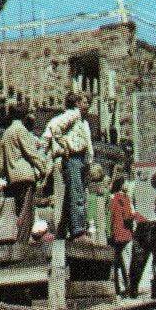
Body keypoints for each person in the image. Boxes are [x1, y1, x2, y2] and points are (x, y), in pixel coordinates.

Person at [43, 92, 95, 240]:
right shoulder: (73, 115)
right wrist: (65, 144)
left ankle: (66, 229)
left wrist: (88, 161)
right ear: (78, 103)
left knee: (74, 195)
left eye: (89, 103)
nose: (87, 106)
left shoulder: (84, 121)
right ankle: (78, 230)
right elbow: (55, 127)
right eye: (85, 102)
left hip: (81, 160)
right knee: (76, 194)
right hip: (73, 158)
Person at [0, 103, 48, 244]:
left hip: (12, 176)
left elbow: (0, 162)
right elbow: (31, 152)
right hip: (25, 174)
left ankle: (17, 239)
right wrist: (43, 168)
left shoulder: (6, 133)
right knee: (27, 211)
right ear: (24, 116)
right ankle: (22, 242)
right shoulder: (21, 130)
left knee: (18, 209)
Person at [108, 172, 139, 296]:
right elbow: (127, 216)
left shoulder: (112, 197)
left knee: (116, 263)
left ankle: (118, 287)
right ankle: (129, 287)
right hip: (126, 233)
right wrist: (136, 215)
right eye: (125, 182)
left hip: (115, 233)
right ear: (122, 185)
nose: (127, 184)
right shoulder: (124, 198)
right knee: (127, 262)